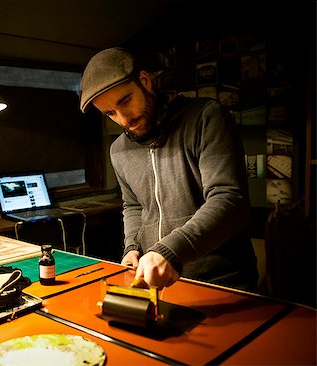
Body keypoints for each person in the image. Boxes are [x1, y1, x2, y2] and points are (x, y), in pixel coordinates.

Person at [80, 47, 258, 291]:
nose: (123, 119)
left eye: (125, 100)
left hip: (222, 280)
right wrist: (132, 246)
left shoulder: (205, 118)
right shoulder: (118, 150)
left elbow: (229, 199)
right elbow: (133, 206)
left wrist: (171, 250)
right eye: (110, 113)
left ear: (144, 81)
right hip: (160, 281)